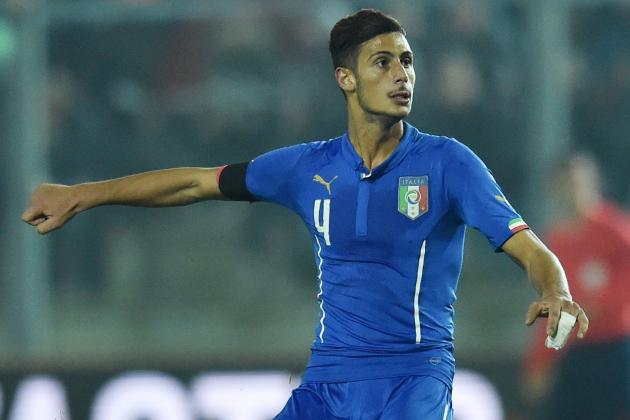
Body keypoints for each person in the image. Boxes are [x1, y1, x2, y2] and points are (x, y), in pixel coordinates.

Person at [22, 10, 588, 419]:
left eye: (408, 61)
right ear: (346, 79)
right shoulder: (306, 168)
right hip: (327, 382)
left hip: (412, 378)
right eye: (383, 62)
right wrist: (83, 194)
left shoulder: (448, 163)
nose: (402, 75)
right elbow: (194, 183)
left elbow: (530, 248)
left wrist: (556, 290)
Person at [523, 153, 630, 420]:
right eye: (564, 185)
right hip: (577, 351)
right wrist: (540, 361)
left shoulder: (616, 231)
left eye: (577, 183)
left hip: (616, 347)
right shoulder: (555, 242)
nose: (572, 192)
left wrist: (595, 305)